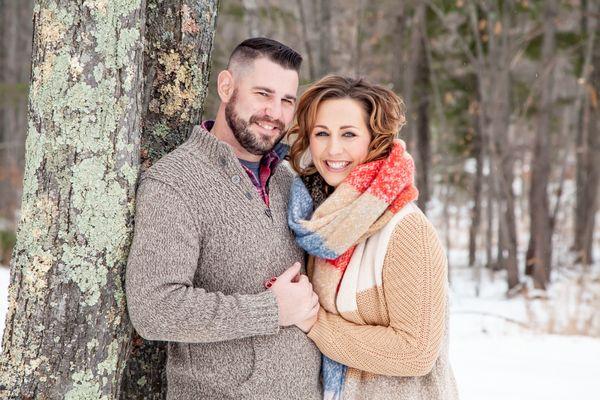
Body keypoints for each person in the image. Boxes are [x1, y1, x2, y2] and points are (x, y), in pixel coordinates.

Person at [126, 38, 321, 400]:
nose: (275, 112)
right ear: (227, 86)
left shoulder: (288, 181)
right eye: (263, 93)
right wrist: (269, 310)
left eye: (287, 100)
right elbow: (153, 308)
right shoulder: (176, 182)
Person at [287, 75, 459, 400]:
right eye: (322, 133)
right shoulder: (321, 223)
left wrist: (314, 323)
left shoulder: (406, 230)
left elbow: (416, 351)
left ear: (374, 140)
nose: (333, 148)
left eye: (349, 134)